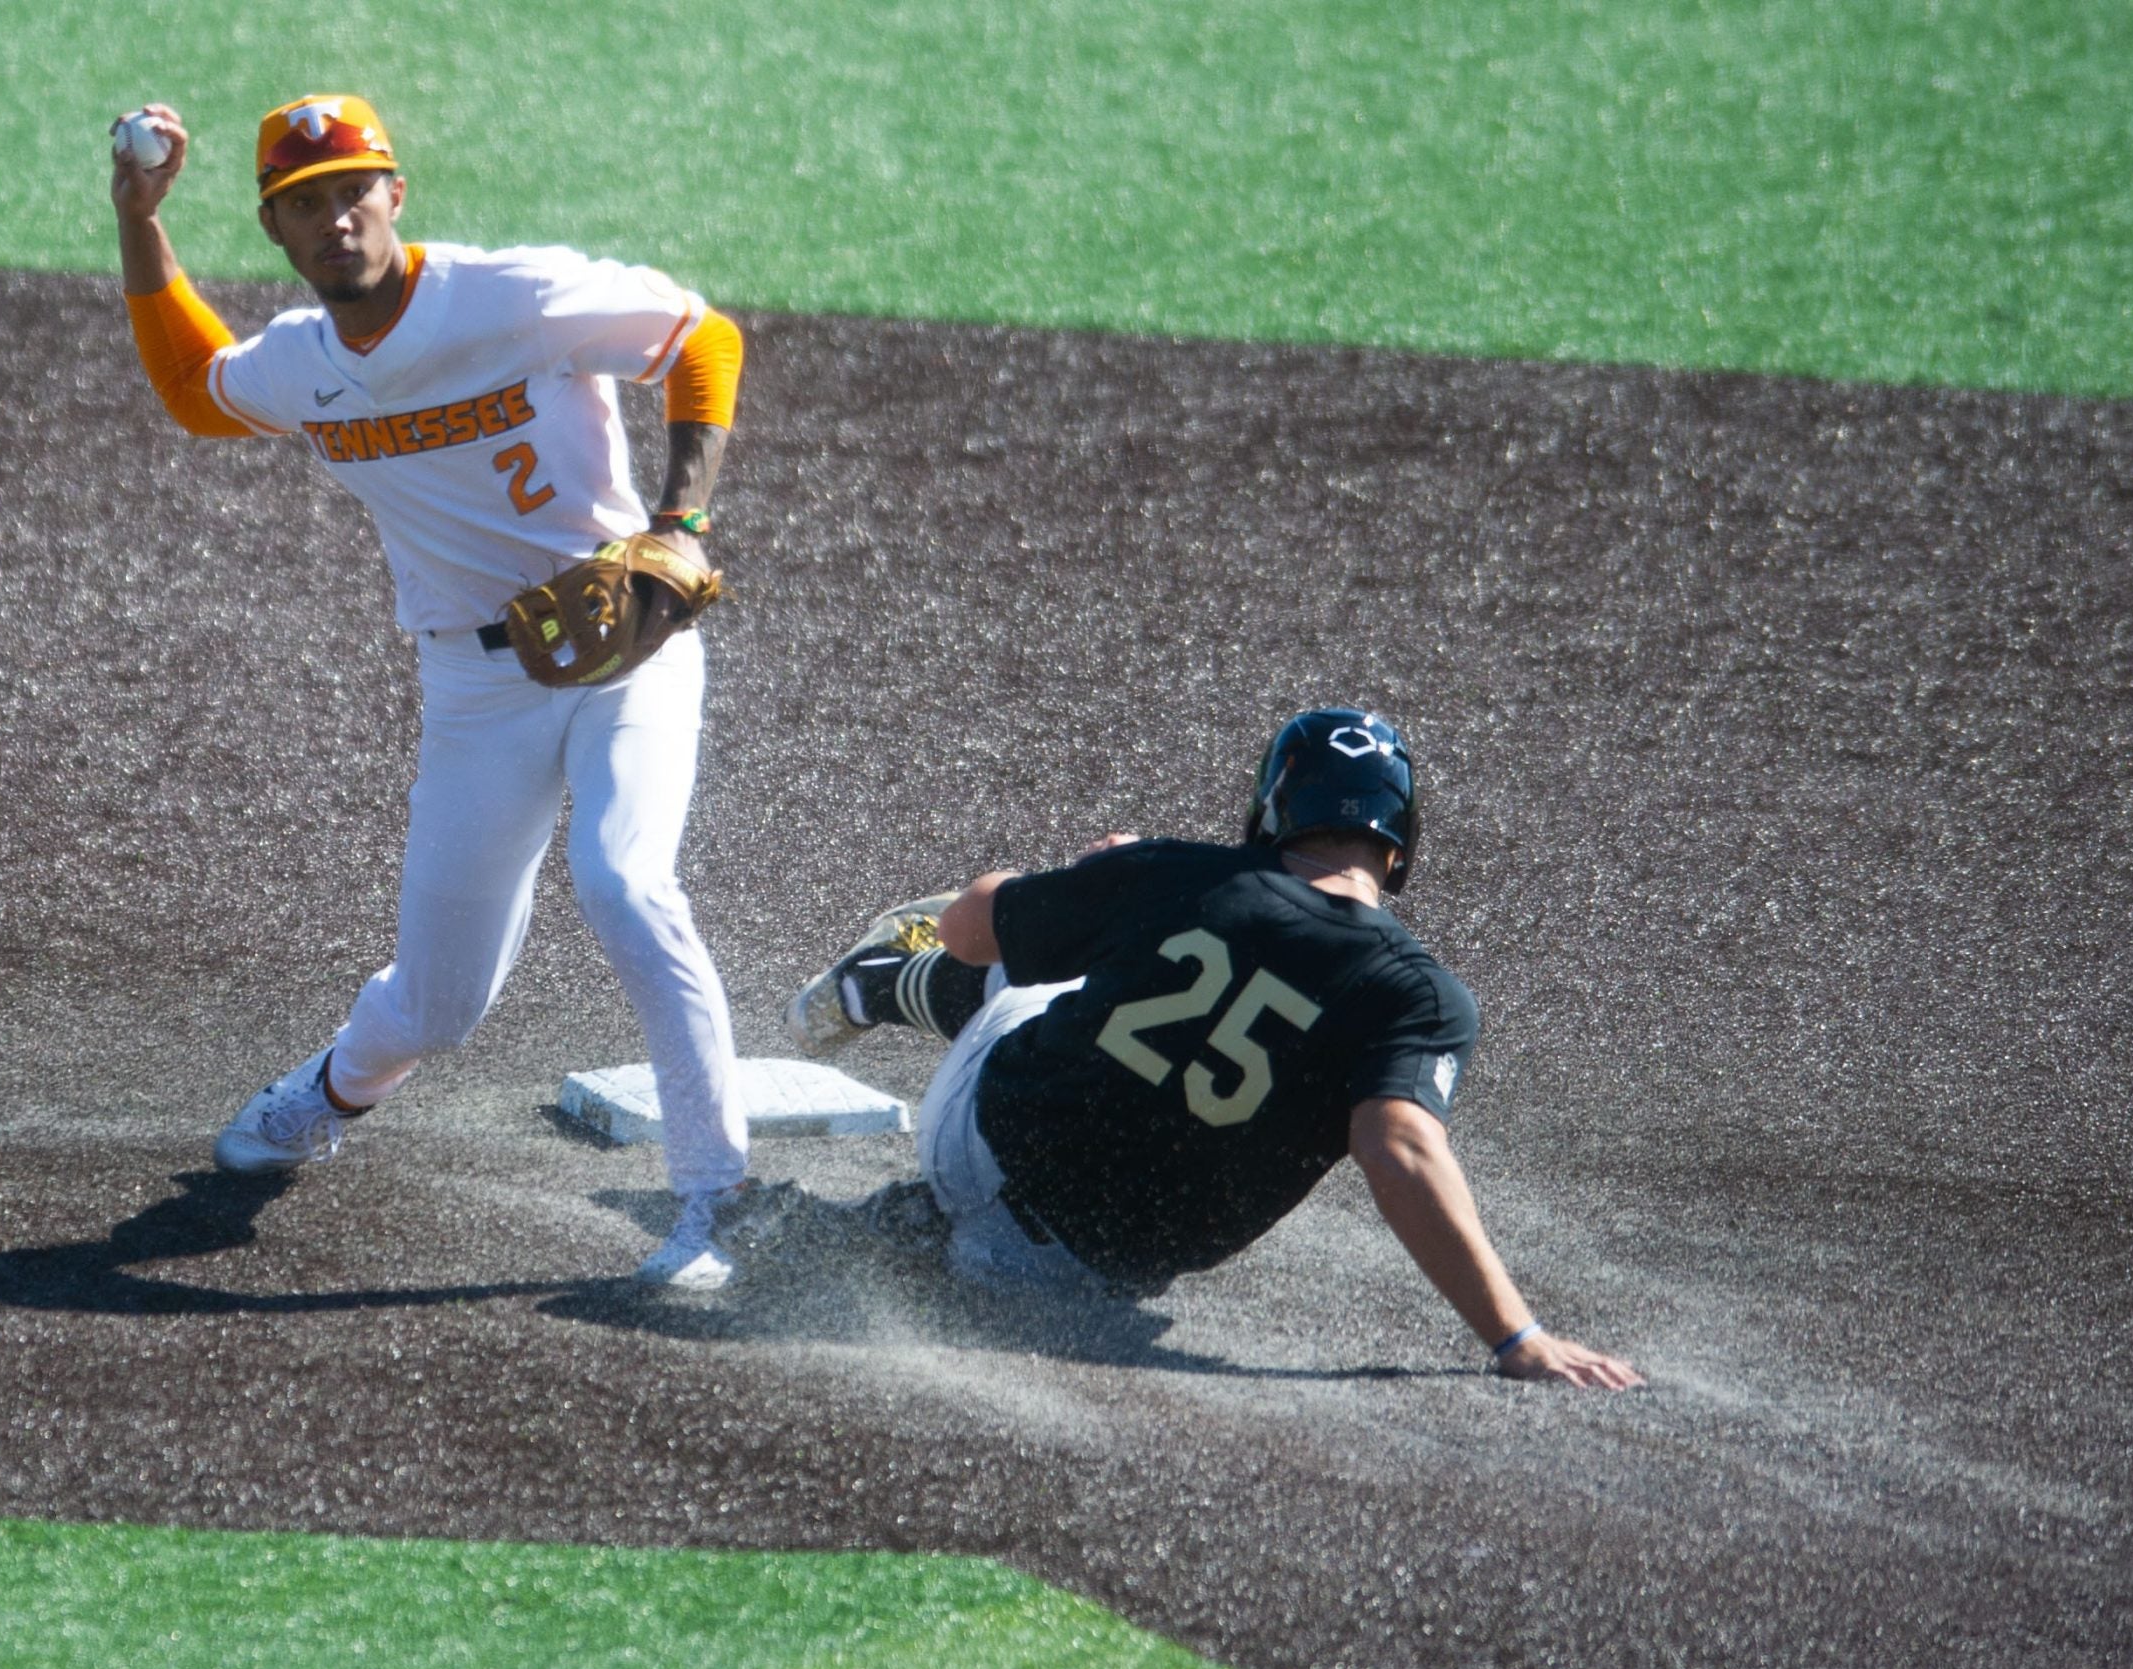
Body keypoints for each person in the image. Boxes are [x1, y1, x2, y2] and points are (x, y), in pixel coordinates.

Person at [109, 95, 753, 1288]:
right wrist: (139, 221)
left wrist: (681, 521)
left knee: (624, 880)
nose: (334, 218)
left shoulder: (510, 295)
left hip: (629, 644)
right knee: (441, 1004)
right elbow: (200, 392)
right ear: (277, 233)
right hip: (472, 685)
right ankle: (334, 1087)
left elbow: (701, 338)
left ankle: (717, 1194)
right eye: (303, 205)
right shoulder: (303, 365)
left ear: (395, 194)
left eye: (352, 190)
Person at [786, 708, 1643, 1386]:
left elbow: (969, 926)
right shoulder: (1421, 997)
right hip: (1067, 1283)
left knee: (1069, 949)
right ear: (1399, 841)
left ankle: (891, 978)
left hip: (966, 1139)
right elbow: (1400, 1149)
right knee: (1125, 958)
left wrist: (1100, 875)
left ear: (1275, 809)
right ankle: (902, 1013)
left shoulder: (1186, 870)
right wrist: (1518, 1337)